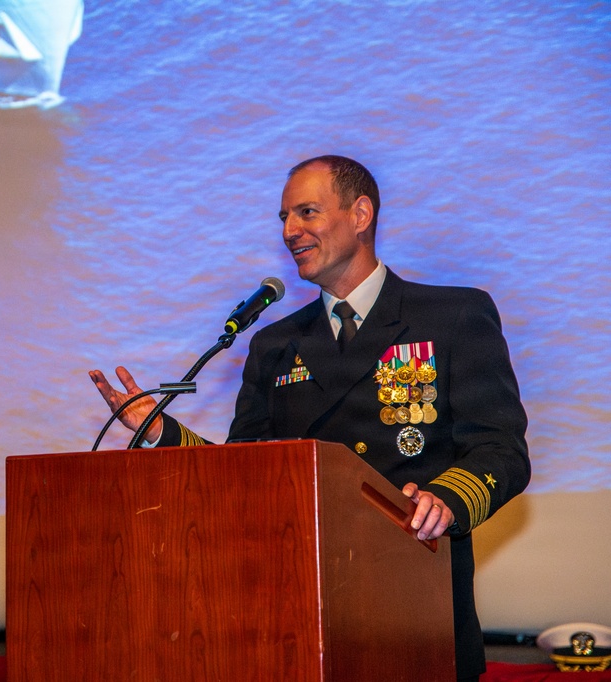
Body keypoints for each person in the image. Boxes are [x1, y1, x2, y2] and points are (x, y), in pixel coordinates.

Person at [89, 155, 530, 682]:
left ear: (360, 214)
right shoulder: (274, 345)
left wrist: (447, 500)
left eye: (306, 213)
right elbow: (242, 476)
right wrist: (162, 433)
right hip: (297, 613)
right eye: (283, 218)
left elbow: (501, 448)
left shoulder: (453, 315)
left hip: (416, 600)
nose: (290, 231)